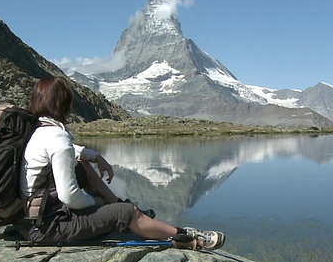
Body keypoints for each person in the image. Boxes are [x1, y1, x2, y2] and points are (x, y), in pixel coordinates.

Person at [12, 77, 224, 250]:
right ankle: (185, 235)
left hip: (32, 219)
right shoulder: (57, 137)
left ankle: (119, 208)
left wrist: (94, 156)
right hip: (49, 227)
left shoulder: (37, 131)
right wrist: (96, 204)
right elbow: (68, 196)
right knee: (126, 213)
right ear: (63, 104)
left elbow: (68, 152)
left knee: (82, 167)